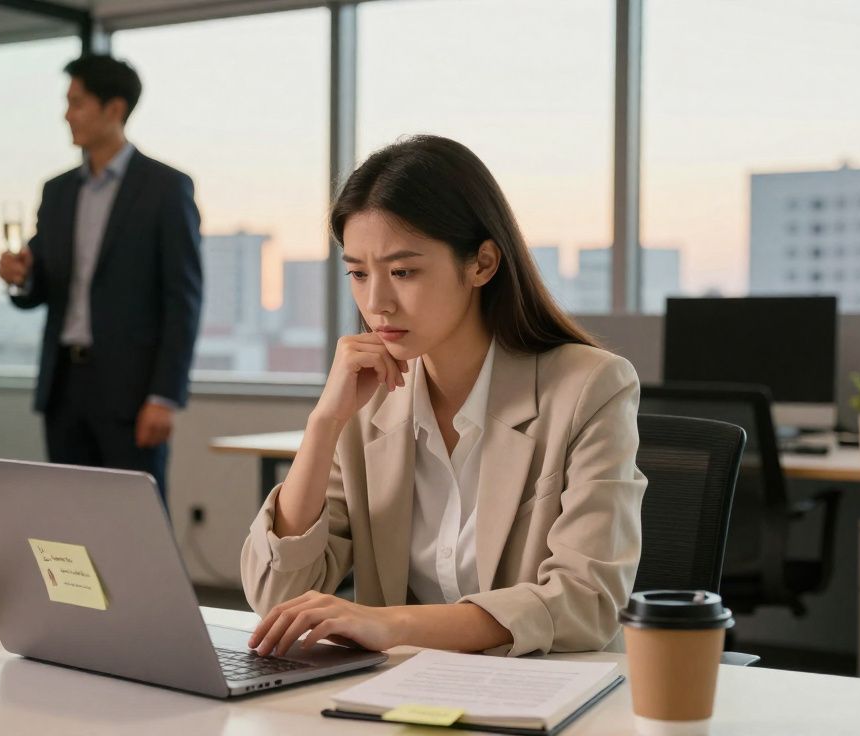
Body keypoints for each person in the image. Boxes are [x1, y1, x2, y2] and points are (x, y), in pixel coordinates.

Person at [241, 135, 646, 659]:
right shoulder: (368, 403)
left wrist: (391, 624)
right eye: (358, 273)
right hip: (406, 686)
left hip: (546, 684)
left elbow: (586, 601)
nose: (376, 302)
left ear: (482, 264)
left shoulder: (590, 387)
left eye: (403, 272)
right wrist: (324, 423)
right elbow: (277, 597)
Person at [0, 55, 202, 498]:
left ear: (114, 108)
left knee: (137, 520)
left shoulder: (166, 188)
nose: (66, 115)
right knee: (69, 518)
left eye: (77, 103)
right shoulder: (56, 192)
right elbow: (38, 287)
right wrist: (20, 276)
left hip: (133, 394)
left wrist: (164, 396)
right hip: (63, 389)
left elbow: (183, 299)